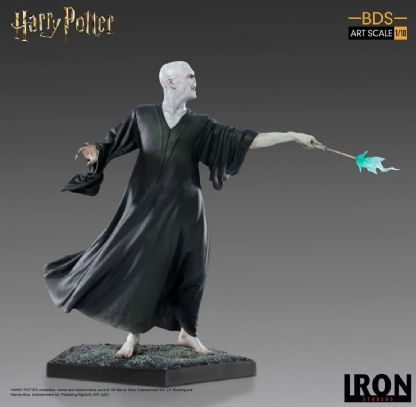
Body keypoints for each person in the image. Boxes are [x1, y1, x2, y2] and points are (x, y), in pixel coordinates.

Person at [44, 61, 325, 359]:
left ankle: (188, 333)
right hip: (145, 208)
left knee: (192, 269)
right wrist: (96, 152)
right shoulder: (143, 116)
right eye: (190, 76)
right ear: (170, 82)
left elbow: (246, 140)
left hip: (187, 210)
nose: (195, 80)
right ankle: (132, 335)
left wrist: (292, 135)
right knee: (142, 268)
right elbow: (111, 143)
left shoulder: (201, 125)